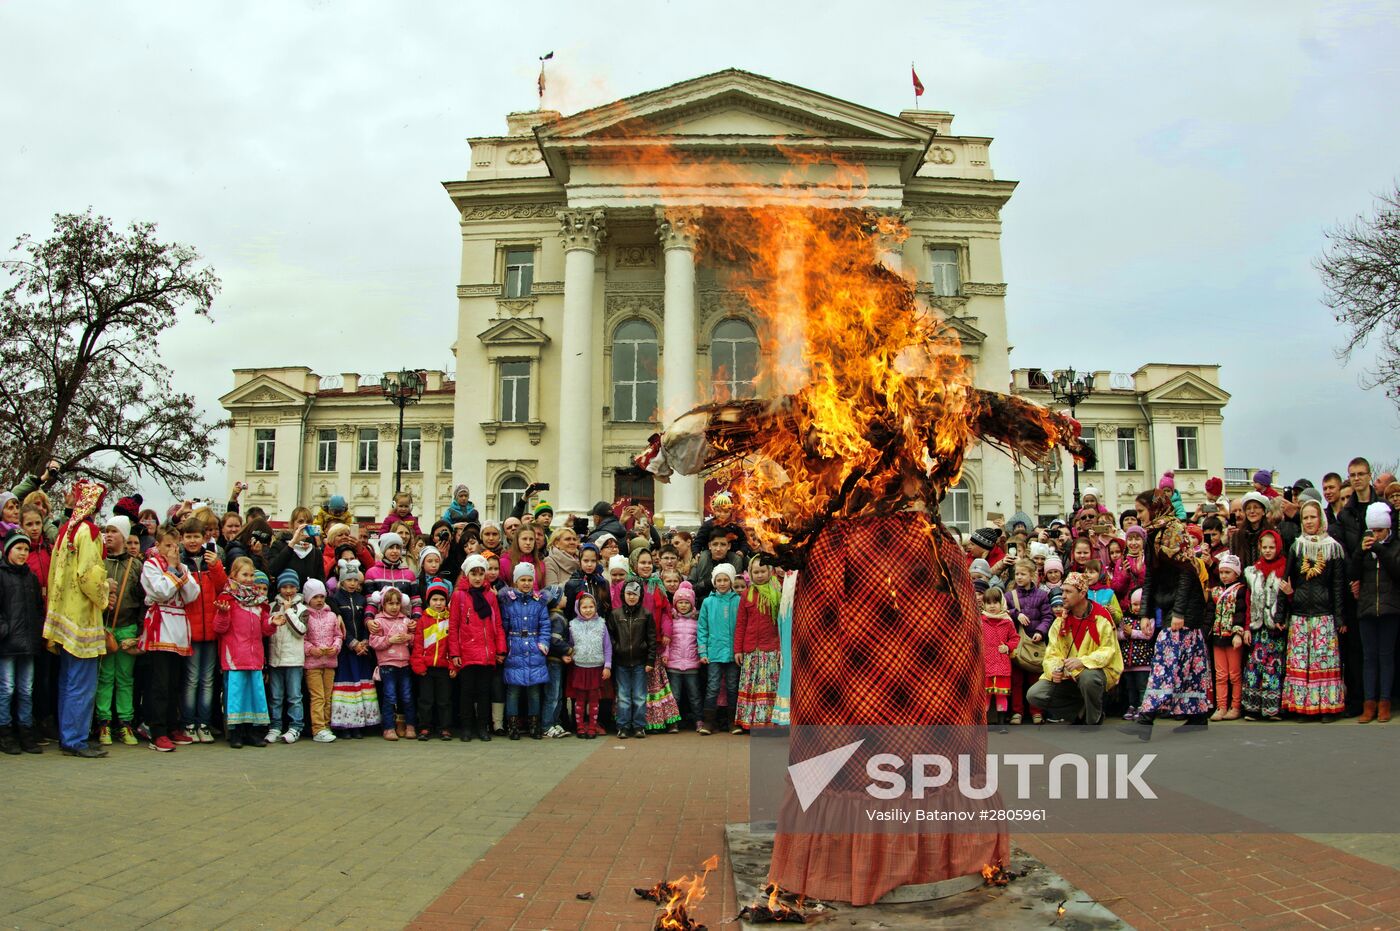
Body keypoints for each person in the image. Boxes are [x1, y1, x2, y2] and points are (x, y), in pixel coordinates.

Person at [1122, 488, 1211, 740]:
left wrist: (1180, 612)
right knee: (1190, 661)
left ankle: (1146, 719)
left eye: (1141, 511)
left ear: (1155, 507)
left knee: (1165, 658)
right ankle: (1197, 716)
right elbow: (1151, 576)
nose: (1139, 517)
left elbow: (1186, 573)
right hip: (1170, 603)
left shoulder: (1175, 531)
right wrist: (1146, 613)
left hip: (1186, 604)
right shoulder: (1153, 533)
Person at [42, 480, 111, 758]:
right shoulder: (89, 532)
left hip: (63, 614)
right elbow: (90, 576)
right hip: (82, 617)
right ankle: (75, 739)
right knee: (82, 682)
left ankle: (68, 735)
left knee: (68, 679)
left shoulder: (65, 531)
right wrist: (105, 592)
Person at [1277, 499, 1347, 720]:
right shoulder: (1297, 547)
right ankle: (1302, 707)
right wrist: (1281, 612)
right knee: (1301, 662)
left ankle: (1325, 707)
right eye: (1305, 517)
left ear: (1321, 519)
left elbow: (1337, 586)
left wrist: (1340, 618)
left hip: (1323, 615)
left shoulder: (1333, 548)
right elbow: (1285, 581)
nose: (1309, 522)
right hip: (1299, 614)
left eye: (1312, 517)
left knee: (1322, 661)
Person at [138, 526, 202, 752]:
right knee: (160, 684)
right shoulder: (151, 565)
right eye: (167, 545)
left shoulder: (183, 566)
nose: (173, 550)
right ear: (158, 545)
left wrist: (178, 570)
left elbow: (192, 594)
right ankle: (157, 731)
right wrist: (173, 570)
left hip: (179, 629)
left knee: (175, 683)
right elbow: (160, 592)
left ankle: (173, 726)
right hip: (161, 626)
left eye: (176, 546)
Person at [1028, 572, 1121, 726]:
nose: (1063, 596)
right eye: (1062, 591)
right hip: (1069, 674)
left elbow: (1108, 650)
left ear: (1082, 593)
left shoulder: (1101, 617)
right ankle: (1080, 711)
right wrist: (1055, 671)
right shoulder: (1060, 621)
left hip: (1098, 671)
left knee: (1088, 678)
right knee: (1035, 694)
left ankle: (1093, 720)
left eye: (1068, 591)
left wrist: (1082, 661)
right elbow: (1052, 653)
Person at [212, 557, 275, 749]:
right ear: (233, 575)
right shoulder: (226, 598)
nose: (248, 579)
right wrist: (222, 614)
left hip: (255, 657)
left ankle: (254, 733)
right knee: (236, 696)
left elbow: (265, 629)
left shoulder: (259, 601)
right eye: (244, 574)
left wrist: (273, 623)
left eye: (251, 575)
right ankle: (236, 733)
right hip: (234, 657)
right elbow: (219, 628)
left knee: (255, 695)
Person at [175, 518, 226, 744]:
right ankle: (188, 723)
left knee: (207, 680)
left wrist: (216, 565)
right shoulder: (180, 561)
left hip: (211, 630)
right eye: (188, 537)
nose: (193, 541)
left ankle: (203, 723)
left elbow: (223, 587)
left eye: (196, 536)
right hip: (190, 631)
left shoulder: (211, 560)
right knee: (192, 679)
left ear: (204, 537)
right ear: (182, 539)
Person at [96, 516, 143, 748]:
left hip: (128, 628)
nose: (109, 534)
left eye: (114, 531)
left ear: (124, 536)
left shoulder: (136, 565)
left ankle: (125, 722)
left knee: (125, 679)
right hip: (103, 628)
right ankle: (103, 721)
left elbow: (143, 602)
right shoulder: (98, 562)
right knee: (104, 677)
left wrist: (139, 634)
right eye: (106, 530)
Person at [1351, 501, 1400, 723]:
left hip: (1390, 609)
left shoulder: (1395, 546)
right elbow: (1353, 572)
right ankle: (1369, 703)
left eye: (1380, 530)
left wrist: (1379, 549)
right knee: (1369, 657)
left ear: (1388, 529)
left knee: (1386, 657)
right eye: (1373, 531)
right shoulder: (1363, 547)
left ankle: (1385, 702)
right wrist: (1360, 553)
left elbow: (1396, 571)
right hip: (1367, 608)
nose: (1376, 535)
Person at [451, 554, 504, 741]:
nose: (478, 577)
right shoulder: (459, 595)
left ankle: (482, 727)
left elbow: (497, 624)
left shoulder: (490, 596)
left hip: (487, 652)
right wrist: (455, 652)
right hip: (466, 652)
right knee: (466, 693)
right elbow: (454, 625)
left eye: (481, 573)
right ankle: (466, 727)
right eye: (474, 573)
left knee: (484, 692)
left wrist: (500, 649)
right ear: (467, 575)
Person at [0, 531, 45, 755]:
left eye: (26, 549)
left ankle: (26, 730)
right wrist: (3, 630)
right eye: (18, 548)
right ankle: (5, 731)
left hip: (28, 642)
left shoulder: (31, 577)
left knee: (26, 689)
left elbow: (38, 608)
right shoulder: (1, 575)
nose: (23, 553)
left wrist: (37, 630)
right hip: (7, 642)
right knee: (7, 688)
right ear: (8, 550)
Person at [328, 560, 379, 738]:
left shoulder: (361, 599)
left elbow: (365, 621)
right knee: (347, 688)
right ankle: (344, 726)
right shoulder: (335, 599)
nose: (352, 583)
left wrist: (365, 640)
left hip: (362, 651)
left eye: (355, 580)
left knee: (361, 686)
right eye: (348, 580)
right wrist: (352, 643)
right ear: (341, 581)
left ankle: (359, 725)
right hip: (346, 651)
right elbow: (338, 627)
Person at [499, 562, 550, 740]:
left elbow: (545, 625)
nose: (526, 583)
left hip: (534, 649)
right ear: (516, 581)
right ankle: (512, 725)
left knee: (534, 691)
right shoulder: (509, 602)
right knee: (513, 691)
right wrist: (505, 647)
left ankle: (534, 725)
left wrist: (543, 644)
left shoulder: (539, 602)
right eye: (523, 580)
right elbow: (503, 626)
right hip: (515, 648)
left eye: (529, 580)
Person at [1242, 530, 1288, 721]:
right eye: (1265, 547)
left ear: (1278, 547)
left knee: (1273, 667)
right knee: (1255, 666)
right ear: (1260, 547)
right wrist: (1246, 627)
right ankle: (1253, 708)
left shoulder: (1285, 568)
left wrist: (1283, 619)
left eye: (1272, 547)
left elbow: (1287, 598)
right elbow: (1248, 601)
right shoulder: (1253, 571)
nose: (1268, 551)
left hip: (1276, 628)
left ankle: (1272, 709)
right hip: (1257, 628)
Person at [733, 555, 782, 733]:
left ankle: (767, 722)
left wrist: (780, 647)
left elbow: (782, 623)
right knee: (750, 686)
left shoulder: (778, 592)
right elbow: (741, 624)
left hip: (771, 648)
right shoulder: (747, 593)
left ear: (770, 571)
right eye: (756, 572)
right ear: (750, 573)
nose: (760, 575)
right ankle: (747, 722)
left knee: (768, 686)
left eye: (763, 571)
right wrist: (737, 649)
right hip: (751, 650)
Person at [607, 579, 656, 739]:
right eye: (629, 593)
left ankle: (639, 726)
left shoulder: (646, 614)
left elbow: (651, 639)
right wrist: (616, 650)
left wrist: (650, 661)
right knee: (623, 695)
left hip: (640, 662)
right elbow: (610, 638)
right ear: (623, 594)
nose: (632, 597)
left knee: (640, 696)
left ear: (640, 595)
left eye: (635, 594)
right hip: (621, 662)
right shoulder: (615, 615)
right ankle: (623, 726)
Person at [697, 563, 741, 735]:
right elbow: (702, 628)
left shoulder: (738, 600)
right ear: (714, 582)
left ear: (730, 581)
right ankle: (708, 722)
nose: (722, 583)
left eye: (725, 580)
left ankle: (732, 722)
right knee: (713, 686)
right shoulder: (708, 602)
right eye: (719, 580)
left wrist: (740, 650)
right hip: (714, 653)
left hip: (732, 654)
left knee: (732, 686)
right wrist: (703, 651)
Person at [265, 569, 307, 745]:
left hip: (294, 660)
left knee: (294, 696)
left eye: (292, 587)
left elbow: (300, 631)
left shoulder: (302, 608)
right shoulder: (271, 607)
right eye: (285, 587)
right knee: (276, 696)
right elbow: (267, 630)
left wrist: (289, 612)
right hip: (275, 659)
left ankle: (296, 726)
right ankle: (275, 726)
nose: (288, 590)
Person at [409, 578, 454, 741]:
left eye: (442, 599)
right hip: (426, 668)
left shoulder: (450, 619)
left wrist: (453, 665)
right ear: (428, 601)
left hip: (444, 667)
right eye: (434, 599)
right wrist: (418, 665)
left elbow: (453, 644)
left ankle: (445, 728)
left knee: (444, 700)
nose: (438, 603)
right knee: (425, 700)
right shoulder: (423, 620)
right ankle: (425, 727)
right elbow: (418, 645)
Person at [368, 587, 416, 740]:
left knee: (407, 696)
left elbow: (415, 638)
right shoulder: (378, 621)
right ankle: (388, 728)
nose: (394, 607)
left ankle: (410, 726)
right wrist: (390, 640)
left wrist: (409, 638)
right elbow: (373, 642)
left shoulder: (406, 620)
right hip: (387, 665)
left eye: (397, 603)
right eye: (390, 604)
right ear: (383, 605)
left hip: (404, 665)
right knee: (389, 696)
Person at [300, 579, 343, 743]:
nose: (319, 600)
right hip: (313, 664)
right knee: (317, 697)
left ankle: (326, 725)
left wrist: (335, 647)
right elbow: (302, 638)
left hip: (330, 662)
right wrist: (312, 650)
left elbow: (338, 635)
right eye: (315, 597)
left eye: (321, 596)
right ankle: (318, 728)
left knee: (327, 696)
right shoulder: (305, 615)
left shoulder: (331, 615)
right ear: (308, 598)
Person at [565, 591, 611, 739]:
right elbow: (570, 645)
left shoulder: (601, 624)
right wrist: (567, 655)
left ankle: (592, 726)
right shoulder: (573, 625)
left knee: (593, 699)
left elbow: (607, 647)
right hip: (579, 667)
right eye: (584, 607)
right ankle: (579, 726)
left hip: (596, 667)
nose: (588, 610)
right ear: (578, 608)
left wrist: (607, 666)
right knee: (579, 699)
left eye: (591, 606)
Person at [1208, 554, 1248, 721]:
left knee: (1234, 674)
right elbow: (1210, 612)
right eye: (1222, 572)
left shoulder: (1240, 590)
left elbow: (1241, 612)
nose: (1224, 575)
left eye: (1228, 572)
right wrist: (1206, 631)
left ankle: (1236, 706)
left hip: (1232, 638)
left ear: (1236, 574)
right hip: (1217, 637)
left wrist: (1237, 633)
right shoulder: (1216, 591)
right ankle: (1221, 706)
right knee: (1221, 674)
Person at [663, 581, 703, 730]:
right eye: (680, 602)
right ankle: (674, 721)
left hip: (692, 664)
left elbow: (700, 640)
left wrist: (701, 655)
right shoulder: (671, 621)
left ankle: (699, 720)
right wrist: (665, 656)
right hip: (674, 665)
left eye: (687, 602)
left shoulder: (696, 622)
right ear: (675, 604)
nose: (684, 605)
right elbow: (667, 642)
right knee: (675, 696)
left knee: (695, 696)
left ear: (692, 604)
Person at [980, 587, 1020, 732]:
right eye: (988, 603)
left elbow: (1015, 638)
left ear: (1001, 603)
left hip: (1002, 663)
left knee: (1001, 694)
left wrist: (1008, 647)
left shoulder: (1007, 621)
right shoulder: (980, 621)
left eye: (995, 602)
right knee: (985, 695)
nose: (992, 606)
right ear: (983, 604)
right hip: (985, 663)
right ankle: (983, 723)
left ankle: (1001, 723)